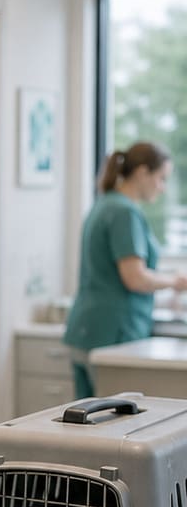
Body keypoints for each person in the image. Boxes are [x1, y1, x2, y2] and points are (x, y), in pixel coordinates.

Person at [63, 141, 187, 398]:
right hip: (112, 334)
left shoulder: (104, 204)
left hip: (87, 329)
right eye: (161, 178)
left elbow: (110, 278)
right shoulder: (125, 213)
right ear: (142, 173)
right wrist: (175, 281)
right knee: (116, 417)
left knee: (86, 417)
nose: (162, 187)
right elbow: (135, 278)